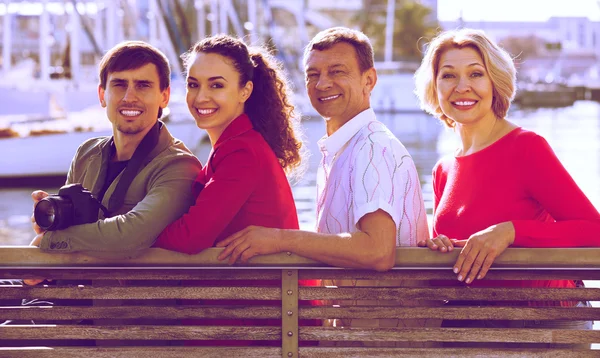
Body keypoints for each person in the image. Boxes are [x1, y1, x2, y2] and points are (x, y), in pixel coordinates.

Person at [414, 28, 600, 347]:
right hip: (468, 324)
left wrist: (511, 232)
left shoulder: (526, 148)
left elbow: (594, 232)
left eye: (476, 73)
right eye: (448, 75)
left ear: (494, 83)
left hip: (542, 324)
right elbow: (466, 254)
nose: (462, 86)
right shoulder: (443, 168)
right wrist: (441, 246)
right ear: (435, 87)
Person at [217, 27, 429, 270]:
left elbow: (378, 251)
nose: (322, 83)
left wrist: (279, 238)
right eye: (313, 74)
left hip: (376, 308)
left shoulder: (372, 148)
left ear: (368, 80)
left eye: (337, 72)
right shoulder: (344, 148)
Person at [28, 41, 201, 260]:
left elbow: (130, 235)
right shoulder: (86, 153)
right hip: (75, 287)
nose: (129, 97)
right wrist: (51, 220)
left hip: (129, 293)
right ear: (102, 95)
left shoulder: (179, 166)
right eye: (119, 84)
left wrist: (50, 242)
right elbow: (74, 234)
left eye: (143, 85)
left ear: (164, 97)